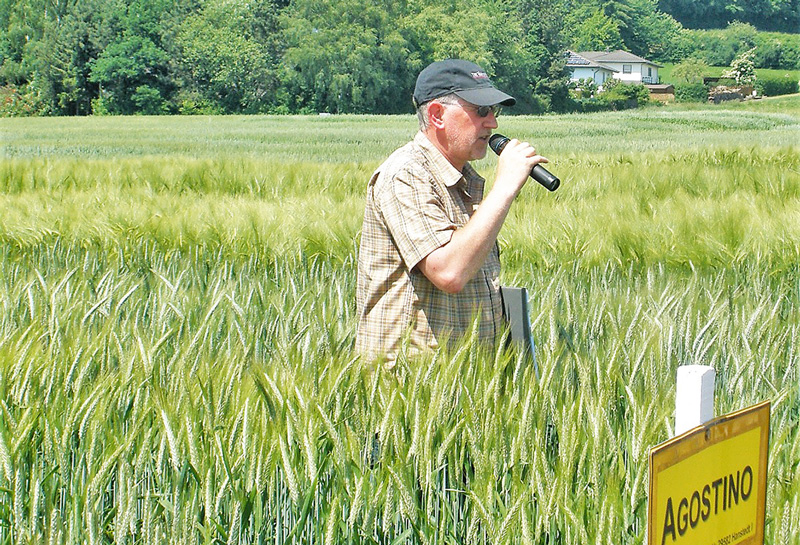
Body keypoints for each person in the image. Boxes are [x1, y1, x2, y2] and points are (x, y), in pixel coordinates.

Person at [355, 59, 549, 363]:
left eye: (494, 112)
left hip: (464, 384)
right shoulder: (406, 174)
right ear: (437, 115)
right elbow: (449, 272)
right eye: (481, 111)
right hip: (412, 388)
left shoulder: (463, 181)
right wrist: (505, 186)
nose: (493, 123)